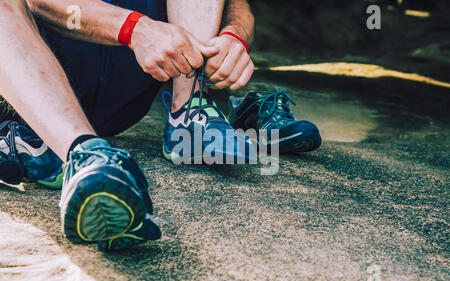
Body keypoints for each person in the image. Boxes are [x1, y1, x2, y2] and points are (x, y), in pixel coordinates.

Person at [0, 0, 321, 251]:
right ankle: (84, 156)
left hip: (128, 86)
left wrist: (233, 36)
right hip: (31, 91)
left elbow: (237, 5)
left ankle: (189, 116)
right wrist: (136, 29)